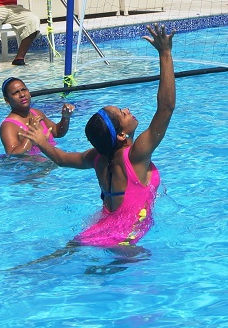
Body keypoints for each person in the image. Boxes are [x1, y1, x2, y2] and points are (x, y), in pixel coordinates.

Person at [22, 24, 175, 248]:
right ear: (122, 134)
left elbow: (62, 159)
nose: (128, 110)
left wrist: (42, 142)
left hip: (96, 230)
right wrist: (165, 54)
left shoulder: (98, 157)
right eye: (123, 113)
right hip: (125, 239)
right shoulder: (136, 156)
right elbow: (166, 107)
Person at [0, 77, 75, 156]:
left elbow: (58, 133)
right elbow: (13, 155)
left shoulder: (36, 113)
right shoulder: (8, 126)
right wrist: (32, 130)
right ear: (7, 101)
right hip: (35, 166)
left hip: (51, 159)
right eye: (16, 93)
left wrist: (65, 117)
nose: (22, 95)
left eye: (24, 90)